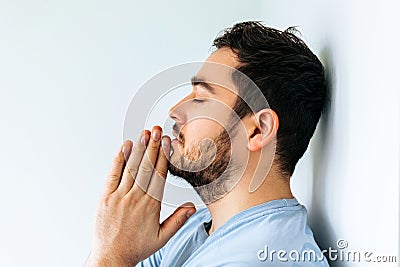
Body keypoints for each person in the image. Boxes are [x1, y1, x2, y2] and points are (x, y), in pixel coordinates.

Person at [85, 21, 329, 266]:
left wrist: (112, 252)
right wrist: (119, 245)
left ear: (258, 130)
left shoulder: (262, 257)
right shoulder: (192, 229)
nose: (174, 110)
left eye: (201, 98)